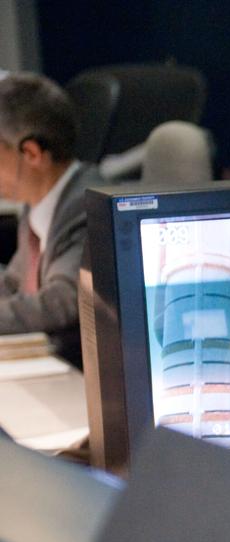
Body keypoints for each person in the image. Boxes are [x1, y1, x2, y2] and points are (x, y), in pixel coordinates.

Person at [0, 72, 100, 344]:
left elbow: (60, 303)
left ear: (31, 153)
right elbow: (12, 284)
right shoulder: (37, 207)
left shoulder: (87, 207)